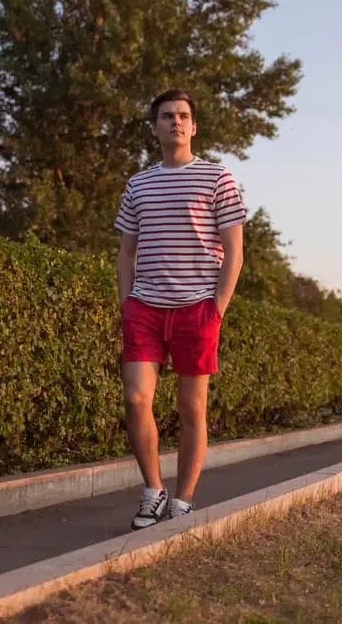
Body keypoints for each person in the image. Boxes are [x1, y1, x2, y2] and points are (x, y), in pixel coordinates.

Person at [114, 89, 246, 530]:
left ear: (194, 127)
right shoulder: (138, 184)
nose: (176, 122)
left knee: (192, 408)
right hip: (146, 308)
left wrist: (217, 309)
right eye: (167, 116)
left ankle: (183, 499)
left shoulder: (217, 178)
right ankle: (153, 490)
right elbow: (126, 251)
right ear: (155, 128)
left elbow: (234, 251)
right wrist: (127, 303)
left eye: (183, 116)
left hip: (197, 308)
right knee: (136, 399)